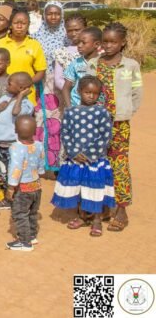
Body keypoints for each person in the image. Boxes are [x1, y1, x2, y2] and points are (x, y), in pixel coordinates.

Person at [91, 23, 143, 232]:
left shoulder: (131, 66)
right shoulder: (93, 64)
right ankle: (99, 206)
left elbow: (137, 93)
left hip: (120, 124)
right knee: (97, 163)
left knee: (119, 165)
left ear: (122, 43)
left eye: (114, 42)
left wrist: (126, 112)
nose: (109, 45)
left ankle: (121, 209)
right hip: (96, 124)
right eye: (106, 41)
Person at [51, 76, 115, 237]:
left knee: (95, 190)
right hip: (75, 160)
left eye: (94, 93)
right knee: (79, 189)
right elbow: (65, 133)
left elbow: (105, 136)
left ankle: (97, 220)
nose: (91, 96)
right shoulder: (71, 112)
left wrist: (89, 154)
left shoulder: (102, 112)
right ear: (79, 92)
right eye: (87, 92)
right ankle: (82, 217)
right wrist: (74, 153)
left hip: (95, 161)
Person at [0, 72, 35, 210]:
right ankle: (7, 200)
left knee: (15, 172)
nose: (6, 85)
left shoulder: (27, 104)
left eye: (10, 83)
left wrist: (19, 97)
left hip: (14, 146)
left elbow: (16, 113)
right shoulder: (4, 98)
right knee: (3, 174)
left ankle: (18, 200)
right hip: (0, 144)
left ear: (21, 88)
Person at [4, 115, 45, 251]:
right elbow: (41, 163)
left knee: (20, 214)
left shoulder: (16, 148)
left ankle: (24, 241)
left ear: (15, 130)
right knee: (32, 213)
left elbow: (15, 169)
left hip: (22, 188)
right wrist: (39, 172)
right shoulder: (39, 145)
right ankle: (32, 235)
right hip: (36, 185)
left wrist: (10, 187)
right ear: (34, 132)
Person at [0, 8, 47, 104]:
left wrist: (26, 84)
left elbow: (41, 71)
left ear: (28, 25)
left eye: (23, 23)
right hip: (3, 94)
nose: (19, 26)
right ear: (10, 25)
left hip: (26, 95)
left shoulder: (34, 45)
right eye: (16, 23)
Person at [53, 14, 87, 110]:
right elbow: (58, 79)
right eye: (69, 31)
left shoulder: (95, 50)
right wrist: (74, 90)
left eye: (77, 30)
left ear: (85, 28)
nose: (73, 33)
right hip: (72, 99)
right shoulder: (61, 53)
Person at [62, 27, 102, 109]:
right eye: (78, 42)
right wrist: (70, 108)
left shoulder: (103, 63)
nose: (79, 46)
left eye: (83, 43)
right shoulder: (75, 63)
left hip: (98, 108)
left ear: (96, 44)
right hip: (77, 106)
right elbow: (66, 88)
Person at [33, 1, 66, 96]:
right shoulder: (35, 37)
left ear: (62, 15)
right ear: (44, 16)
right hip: (40, 81)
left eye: (57, 14)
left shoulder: (68, 37)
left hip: (62, 82)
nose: (53, 17)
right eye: (49, 14)